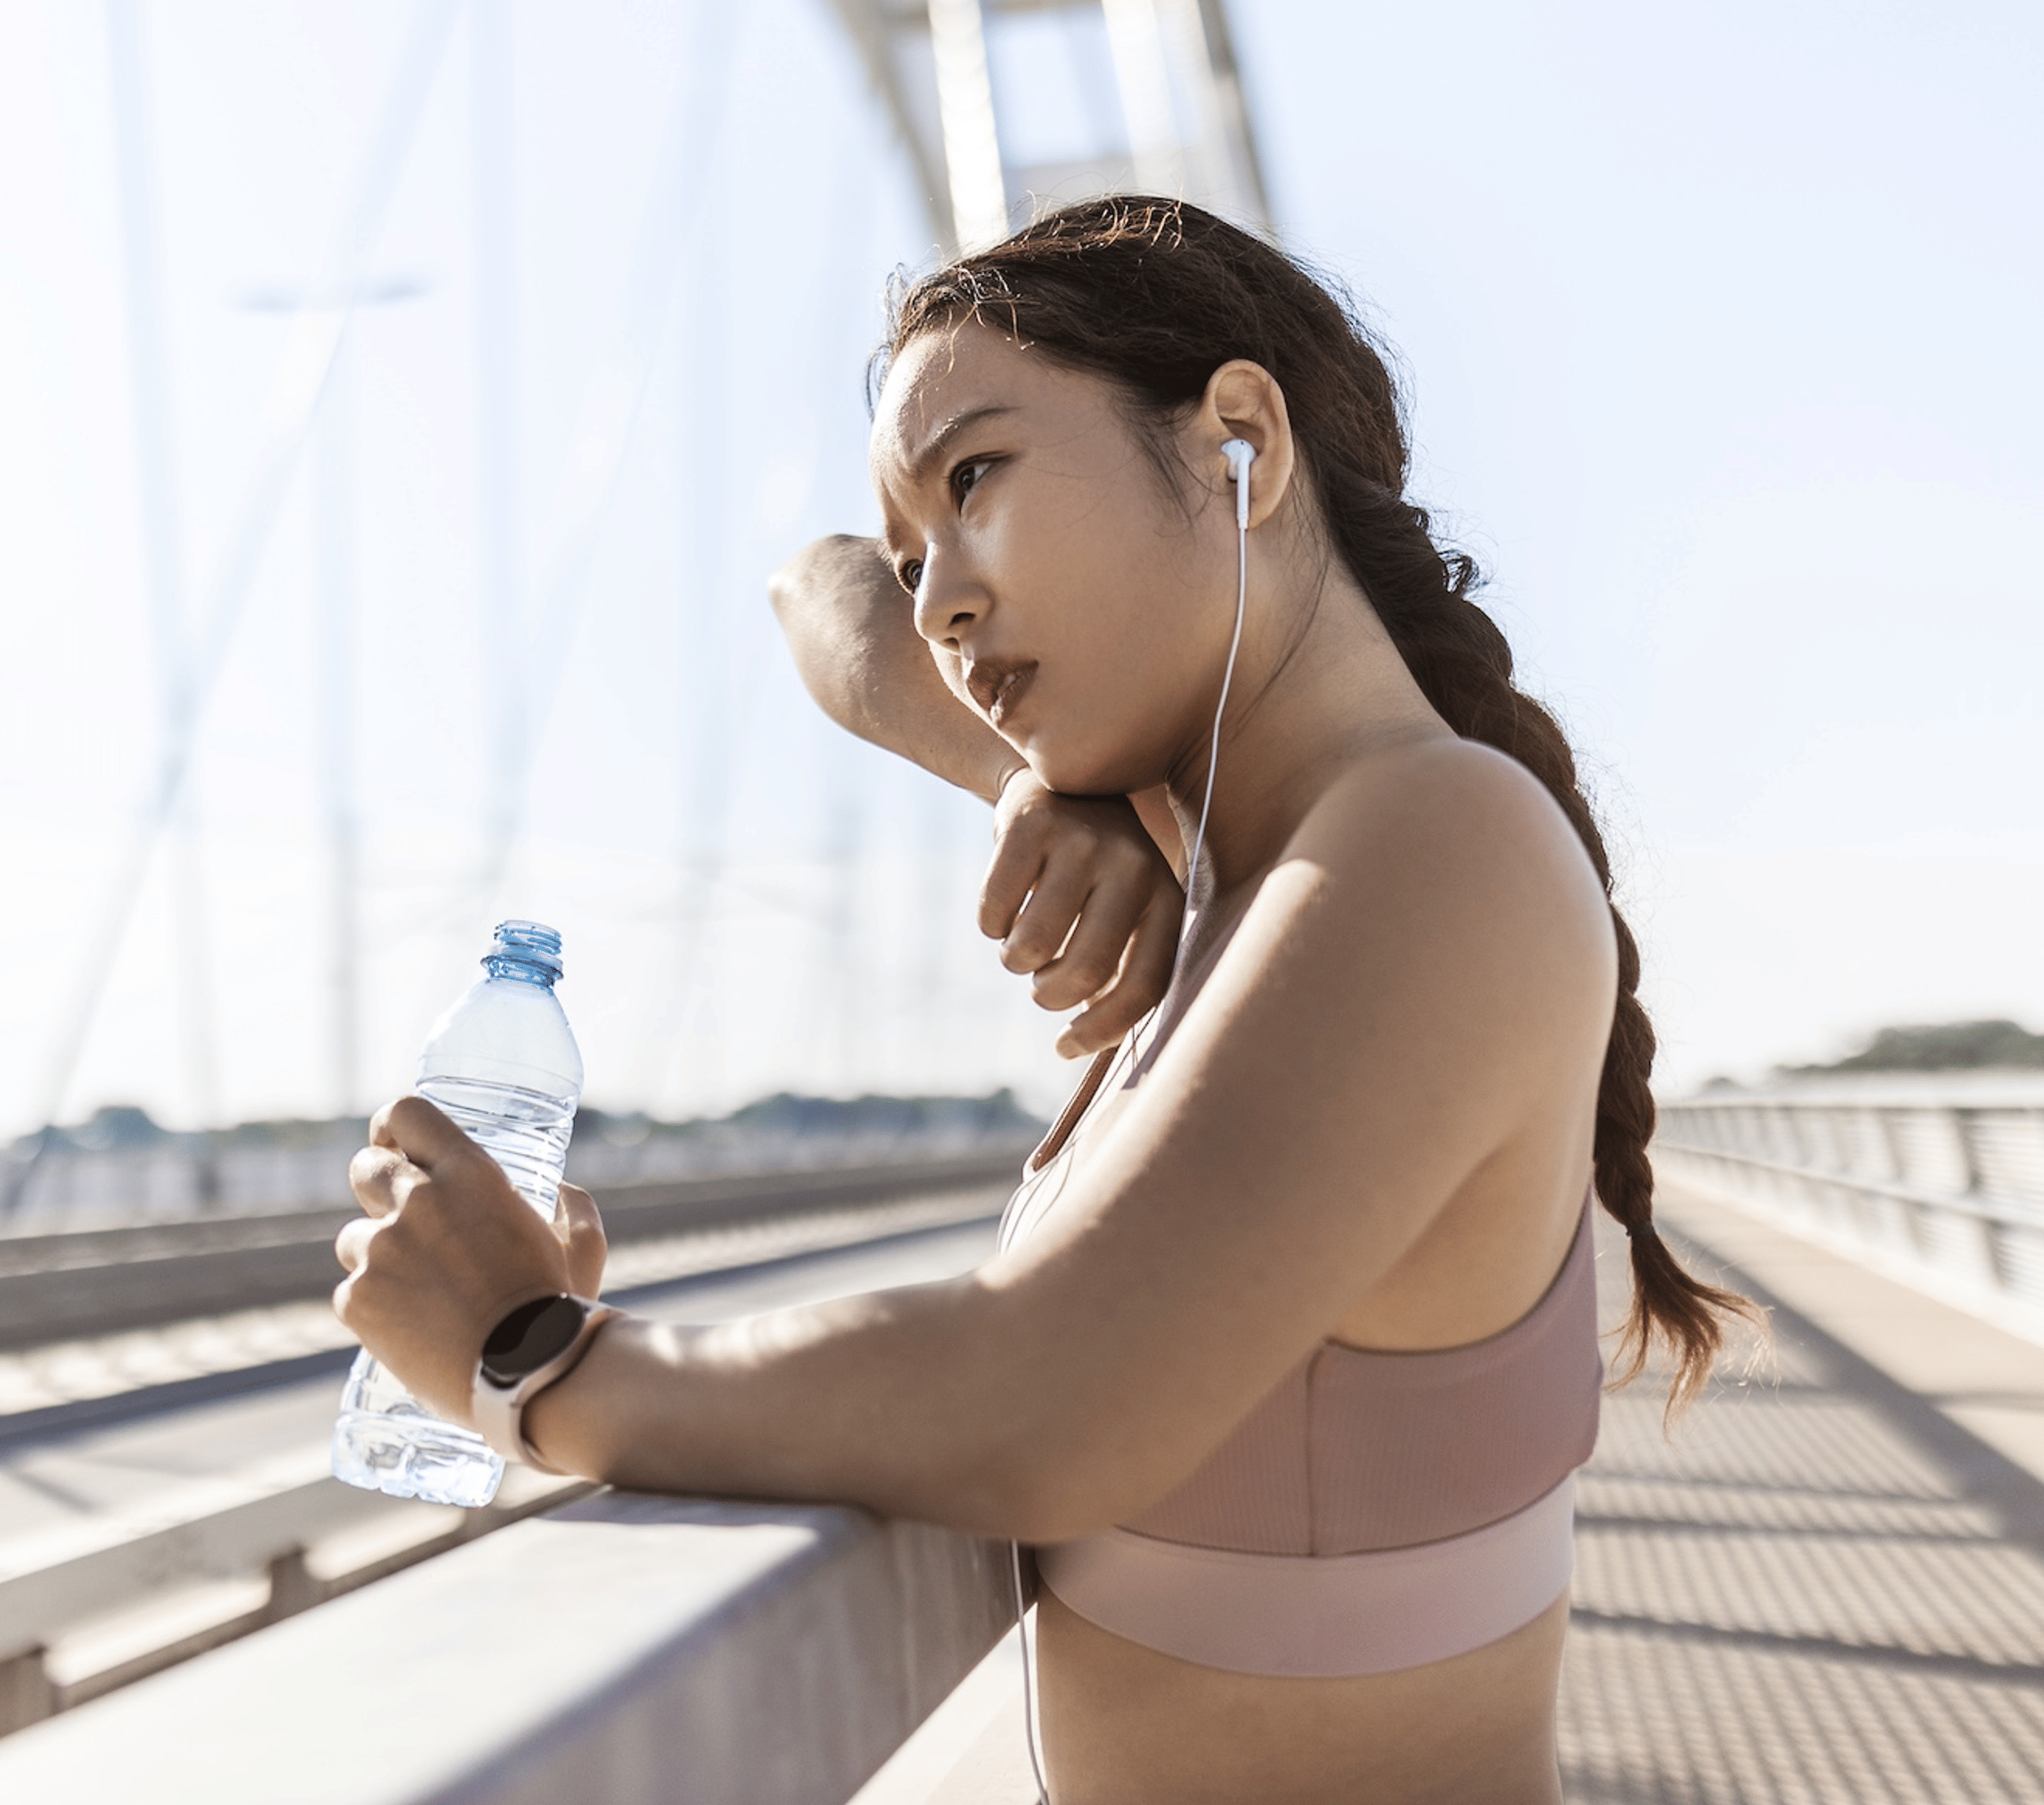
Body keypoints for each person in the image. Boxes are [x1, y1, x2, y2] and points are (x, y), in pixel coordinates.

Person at [329, 196, 1750, 1804]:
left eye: (978, 478)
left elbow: (1045, 1393)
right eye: (917, 538)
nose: (939, 597)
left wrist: (530, 1356)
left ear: (1239, 441)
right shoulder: (1241, 892)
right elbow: (821, 593)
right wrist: (1022, 773)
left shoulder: (1436, 842)